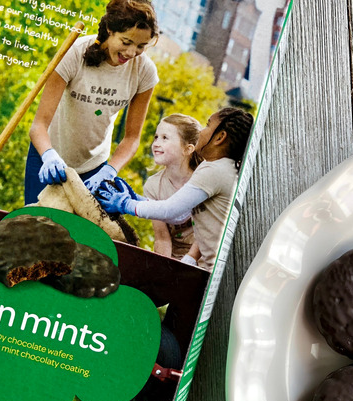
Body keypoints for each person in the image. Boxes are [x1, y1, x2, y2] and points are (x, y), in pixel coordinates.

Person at [24, 0, 159, 205]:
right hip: (47, 157)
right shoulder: (74, 52)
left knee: (76, 236)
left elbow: (132, 139)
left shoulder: (144, 72)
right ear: (109, 30)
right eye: (126, 42)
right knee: (35, 229)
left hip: (94, 169)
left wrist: (110, 170)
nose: (131, 53)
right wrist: (49, 156)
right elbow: (38, 126)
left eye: (141, 46)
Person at [96, 107, 254, 270]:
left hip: (218, 270)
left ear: (220, 137)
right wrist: (138, 200)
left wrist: (126, 205)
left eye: (207, 125)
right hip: (211, 267)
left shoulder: (215, 171)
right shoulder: (210, 167)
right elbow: (180, 216)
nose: (201, 131)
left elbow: (170, 210)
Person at [143, 113, 203, 262]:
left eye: (165, 138)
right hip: (174, 259)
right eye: (156, 137)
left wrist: (189, 261)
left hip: (204, 259)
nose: (156, 143)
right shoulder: (153, 186)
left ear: (188, 149)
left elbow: (208, 233)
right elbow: (162, 238)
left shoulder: (204, 181)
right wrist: (165, 269)